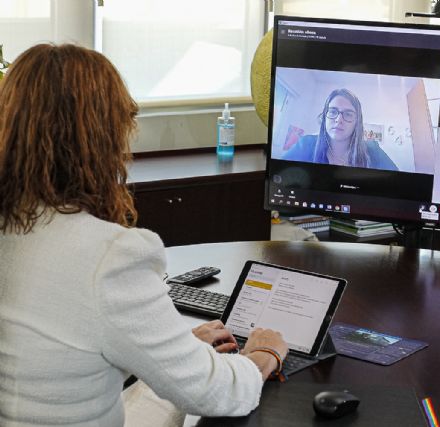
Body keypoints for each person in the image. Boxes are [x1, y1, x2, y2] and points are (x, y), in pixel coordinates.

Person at [0, 44, 288, 426]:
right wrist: (264, 355)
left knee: (161, 384)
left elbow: (55, 351)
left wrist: (180, 349)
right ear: (103, 140)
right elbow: (216, 393)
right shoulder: (110, 257)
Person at [282, 88, 398, 171]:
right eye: (333, 111)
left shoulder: (373, 150)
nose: (338, 119)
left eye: (348, 114)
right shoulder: (306, 144)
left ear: (357, 122)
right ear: (325, 116)